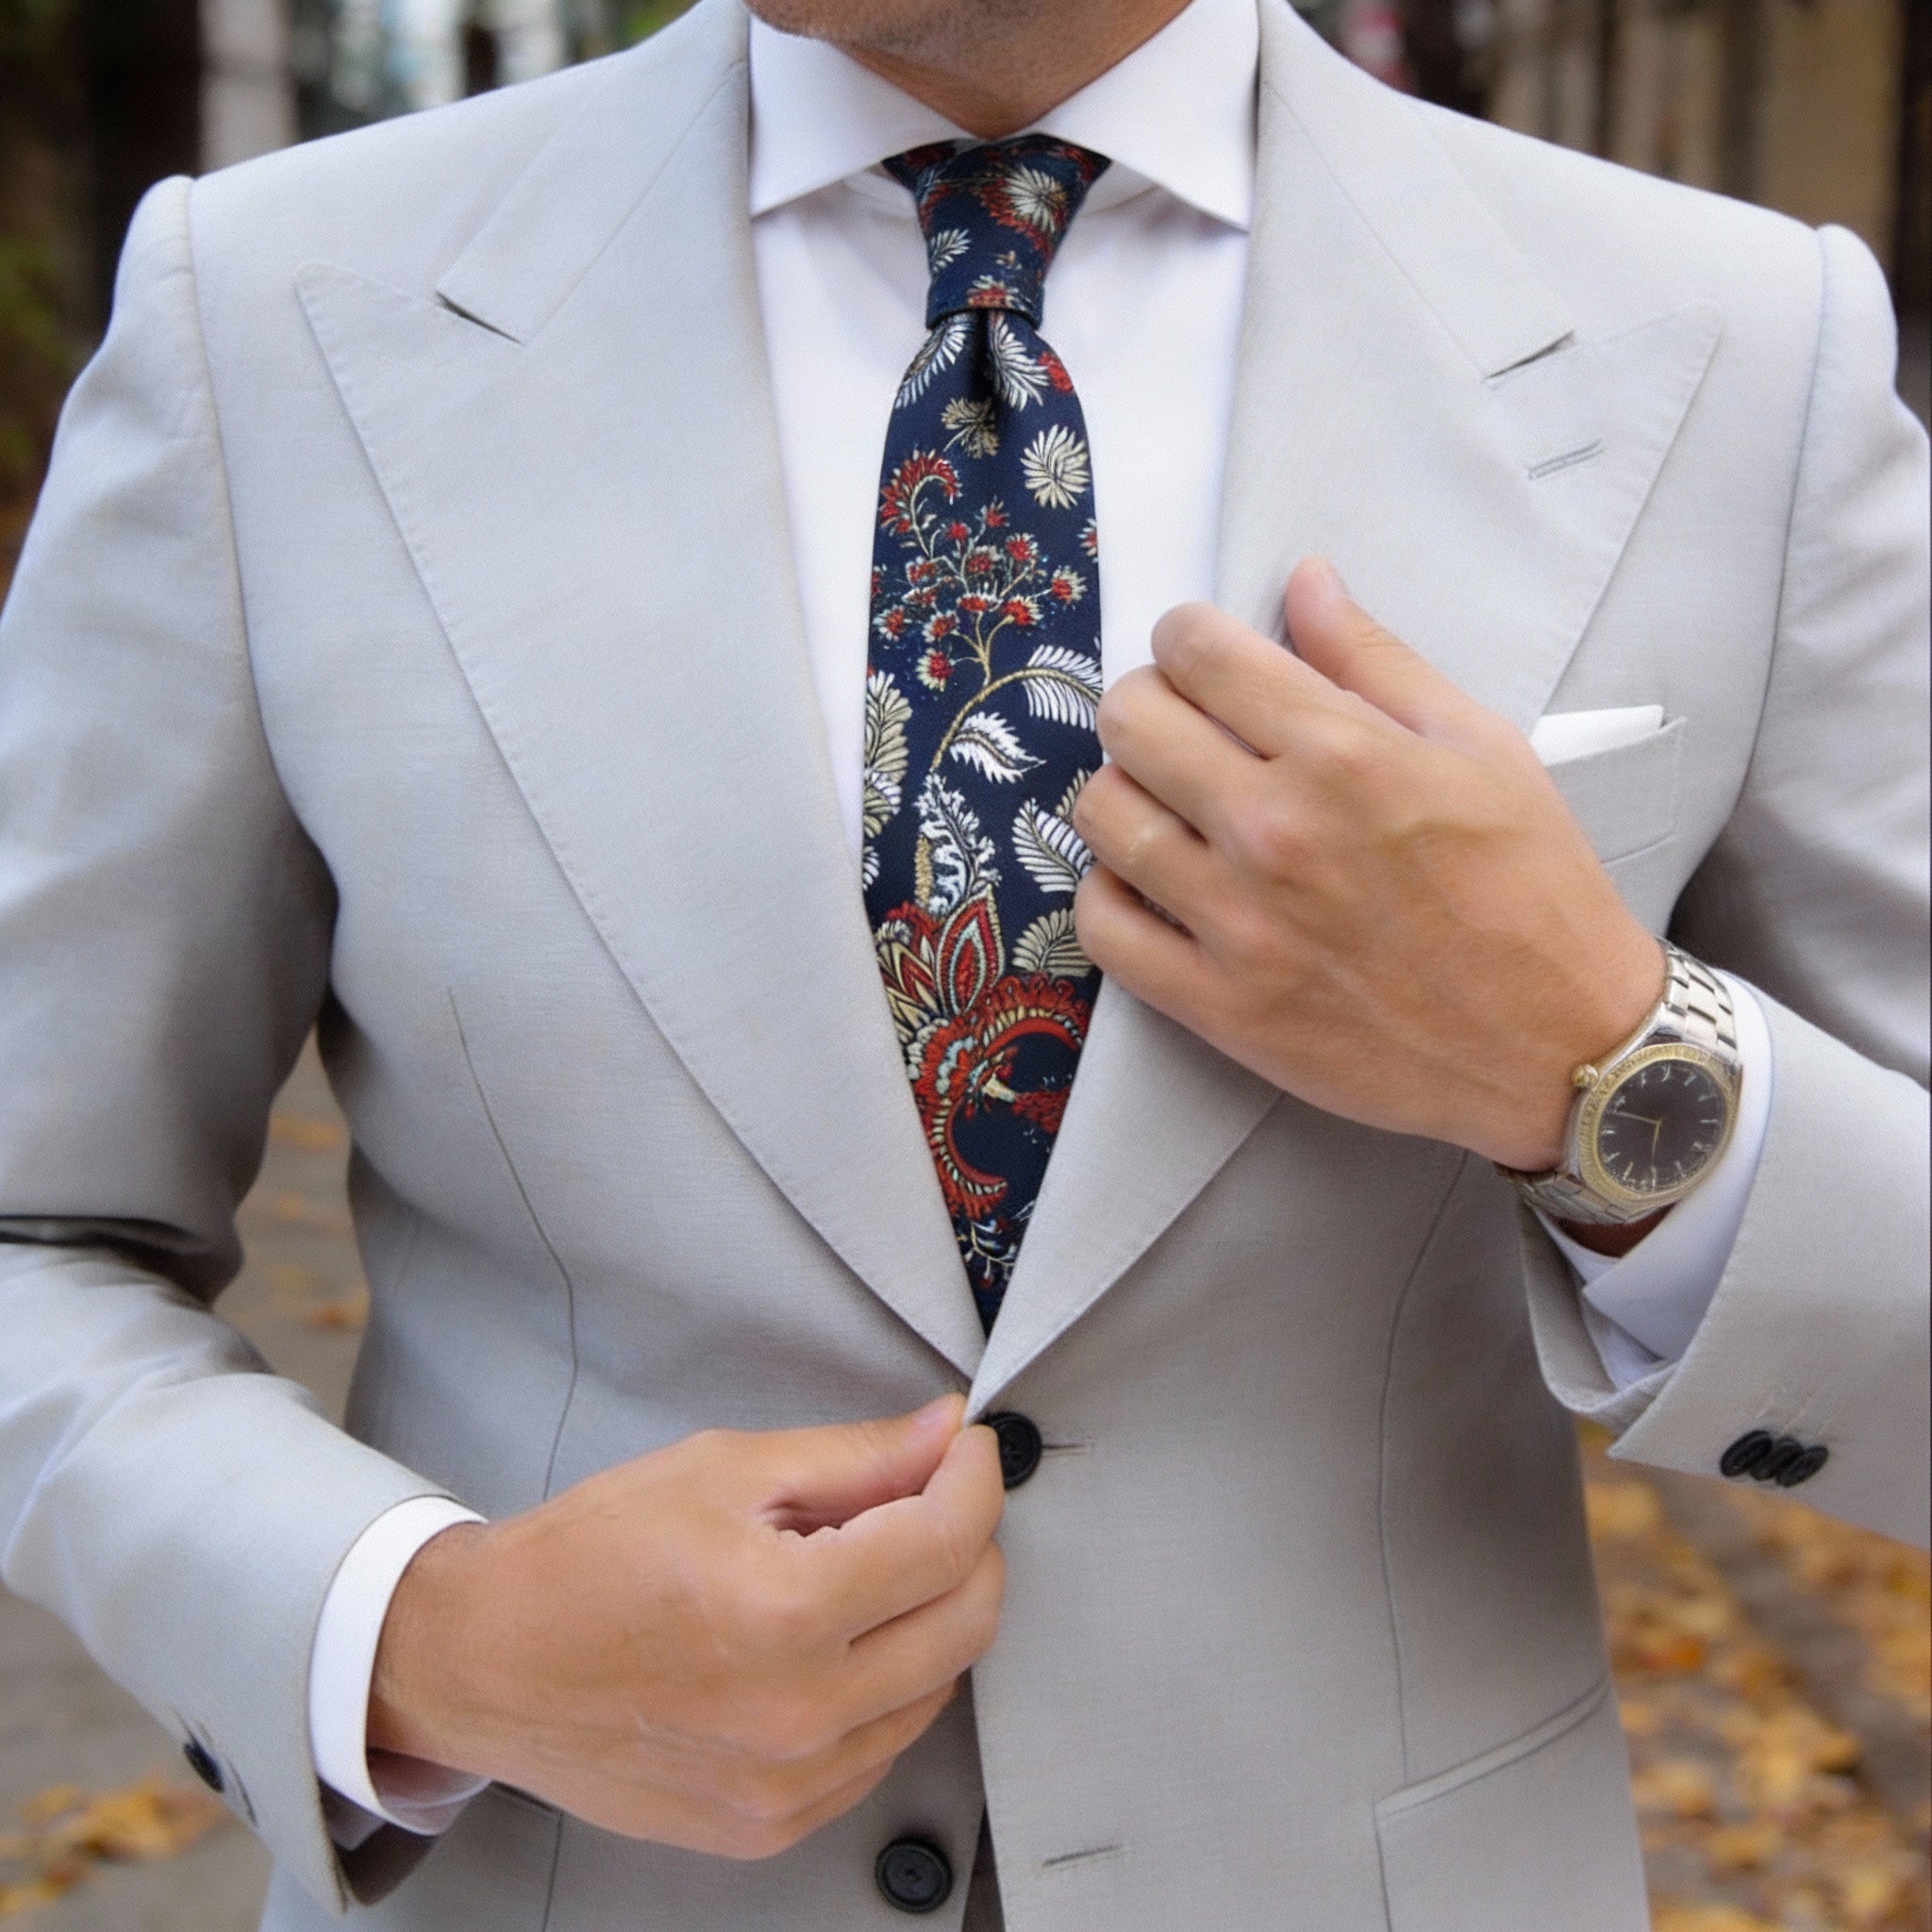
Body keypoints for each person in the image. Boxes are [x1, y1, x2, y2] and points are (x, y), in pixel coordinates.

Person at [0, 0, 1924, 1924]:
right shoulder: (266, 314)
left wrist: (1605, 1069)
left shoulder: (1738, 353)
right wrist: (419, 1633)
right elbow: (34, 1235)